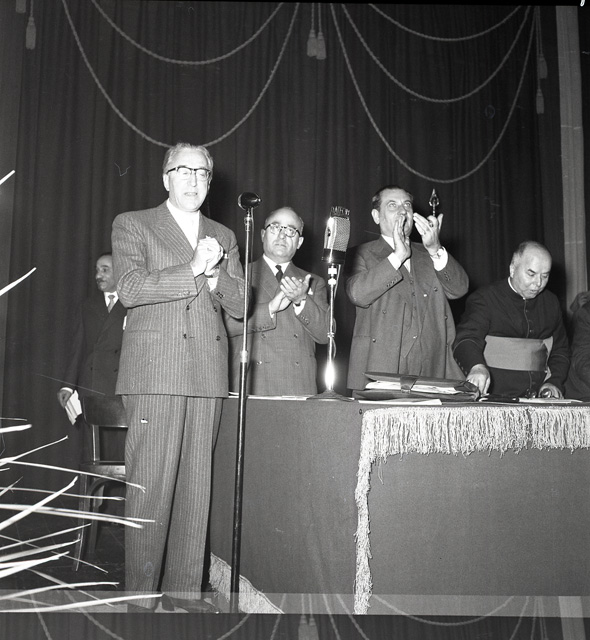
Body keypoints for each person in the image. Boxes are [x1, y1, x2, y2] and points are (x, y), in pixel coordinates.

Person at [111, 142, 245, 612]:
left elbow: (242, 305)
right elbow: (129, 289)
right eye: (182, 170)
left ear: (210, 181)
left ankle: (185, 593)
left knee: (196, 489)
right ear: (165, 177)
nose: (193, 179)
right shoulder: (134, 223)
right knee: (151, 487)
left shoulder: (224, 235)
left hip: (207, 373)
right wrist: (192, 268)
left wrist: (216, 277)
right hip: (156, 372)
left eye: (202, 172)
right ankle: (140, 598)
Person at [346, 185, 468, 393]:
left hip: (432, 372)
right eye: (392, 205)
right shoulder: (361, 253)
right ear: (376, 216)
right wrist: (398, 256)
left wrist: (435, 249)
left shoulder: (430, 253)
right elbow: (358, 294)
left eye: (407, 205)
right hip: (379, 371)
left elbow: (459, 288)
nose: (403, 211)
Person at [225, 206, 329, 396]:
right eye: (275, 227)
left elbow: (326, 335)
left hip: (298, 387)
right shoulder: (239, 274)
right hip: (252, 385)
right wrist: (270, 309)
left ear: (299, 242)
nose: (282, 235)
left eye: (291, 230)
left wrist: (302, 300)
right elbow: (225, 326)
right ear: (262, 234)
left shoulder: (314, 282)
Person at [453, 241, 570, 399]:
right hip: (493, 397)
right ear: (513, 269)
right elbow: (466, 339)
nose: (538, 283)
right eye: (531, 274)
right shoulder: (485, 299)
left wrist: (553, 382)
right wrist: (476, 367)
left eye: (545, 276)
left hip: (538, 398)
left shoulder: (551, 303)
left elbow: (560, 351)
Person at [57, 252, 127, 460]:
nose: (98, 275)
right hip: (92, 388)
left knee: (121, 451)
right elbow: (78, 349)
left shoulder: (133, 304)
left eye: (105, 270)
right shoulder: (87, 306)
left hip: (121, 387)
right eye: (96, 270)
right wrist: (67, 386)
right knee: (93, 452)